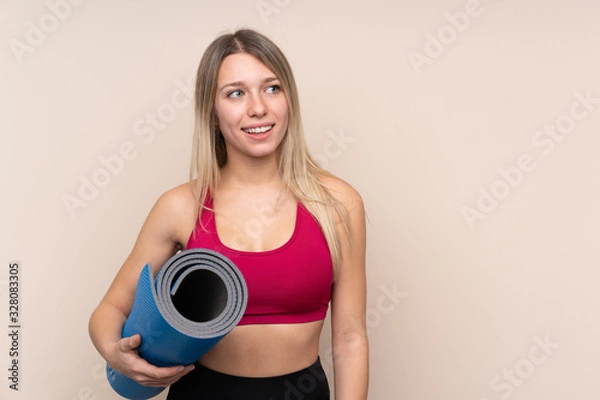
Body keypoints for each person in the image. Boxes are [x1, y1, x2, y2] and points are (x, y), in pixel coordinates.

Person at [88, 28, 368, 400]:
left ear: (289, 100)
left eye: (272, 88)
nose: (258, 108)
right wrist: (115, 354)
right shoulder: (181, 206)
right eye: (236, 93)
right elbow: (109, 309)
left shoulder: (337, 203)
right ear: (213, 111)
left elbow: (350, 338)